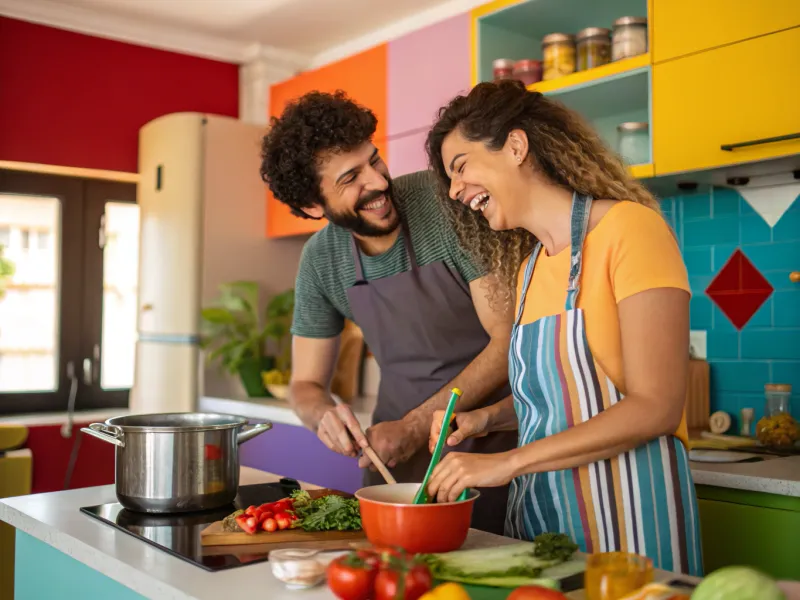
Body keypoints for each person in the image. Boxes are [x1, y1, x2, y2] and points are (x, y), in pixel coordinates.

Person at [423, 79, 703, 576]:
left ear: (515, 146)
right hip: (545, 524)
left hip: (631, 524)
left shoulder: (630, 230)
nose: (453, 190)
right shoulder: (531, 268)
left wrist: (508, 462)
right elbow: (557, 400)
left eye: (460, 167)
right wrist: (490, 420)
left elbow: (656, 406)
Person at [259, 90, 518, 534]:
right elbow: (305, 384)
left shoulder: (444, 203)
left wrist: (418, 425)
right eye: (350, 178)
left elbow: (507, 339)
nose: (378, 183)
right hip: (397, 455)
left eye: (374, 161)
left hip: (494, 440)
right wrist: (322, 413)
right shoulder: (321, 260)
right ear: (312, 206)